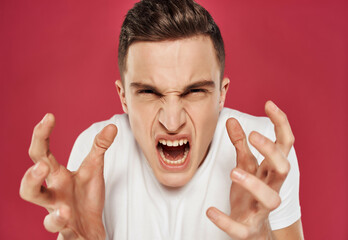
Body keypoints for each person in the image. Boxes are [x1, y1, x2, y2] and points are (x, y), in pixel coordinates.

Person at [19, 0, 304, 239]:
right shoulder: (95, 157)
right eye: (148, 92)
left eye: (194, 91)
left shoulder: (265, 155)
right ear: (123, 98)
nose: (171, 121)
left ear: (221, 94)